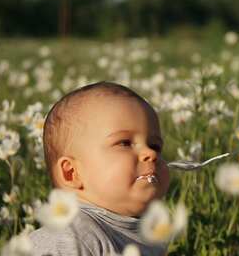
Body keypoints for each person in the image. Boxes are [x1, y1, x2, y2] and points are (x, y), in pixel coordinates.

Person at [30, 81, 170, 256]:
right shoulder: (71, 236)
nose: (150, 153)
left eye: (155, 146)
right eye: (124, 143)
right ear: (71, 173)